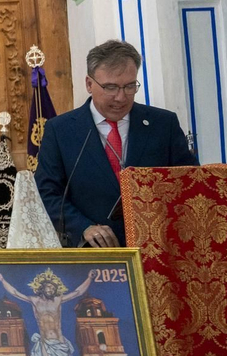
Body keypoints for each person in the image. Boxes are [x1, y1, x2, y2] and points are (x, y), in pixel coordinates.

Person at [35, 39, 197, 247]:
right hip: (93, 252)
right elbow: (46, 192)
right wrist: (83, 227)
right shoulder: (61, 130)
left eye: (130, 86)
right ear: (89, 84)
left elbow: (190, 180)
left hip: (158, 247)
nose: (121, 97)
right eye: (110, 87)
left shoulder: (163, 124)